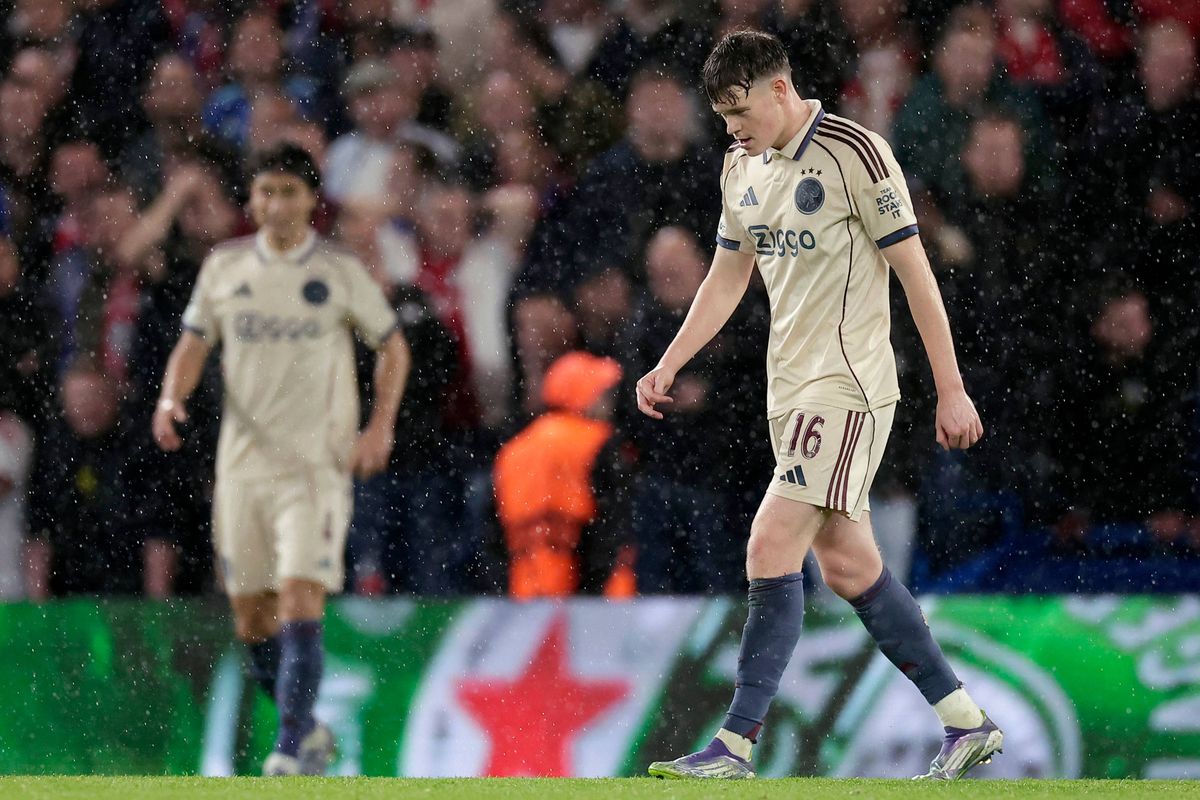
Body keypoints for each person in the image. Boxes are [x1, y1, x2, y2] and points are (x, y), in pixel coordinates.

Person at [637, 30, 1001, 781]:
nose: (732, 127)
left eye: (741, 109)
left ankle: (735, 743)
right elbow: (726, 279)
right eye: (722, 115)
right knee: (845, 565)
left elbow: (915, 272)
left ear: (778, 88)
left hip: (848, 387)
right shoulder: (740, 165)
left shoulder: (855, 153)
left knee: (770, 543)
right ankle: (965, 722)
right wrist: (670, 362)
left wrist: (952, 386)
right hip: (789, 391)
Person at [151, 144, 411, 776]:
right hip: (242, 468)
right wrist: (169, 398)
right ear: (252, 199)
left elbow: (393, 347)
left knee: (301, 596)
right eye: (265, 191)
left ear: (311, 201)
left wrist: (379, 427)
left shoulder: (339, 270)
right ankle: (312, 729)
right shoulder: (224, 266)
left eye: (289, 192)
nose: (276, 204)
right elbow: (193, 342)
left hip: (315, 468)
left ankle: (290, 744)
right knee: (251, 615)